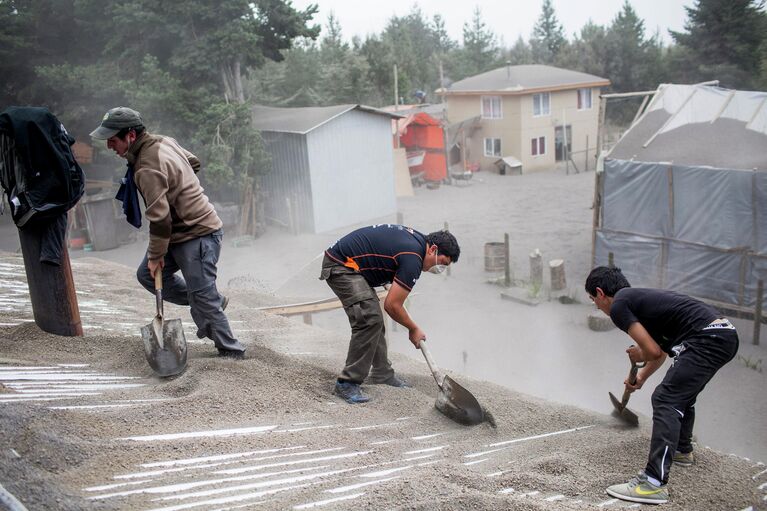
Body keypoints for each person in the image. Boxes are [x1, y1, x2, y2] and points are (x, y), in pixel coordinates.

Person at [90, 107, 245, 359]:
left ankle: (231, 350)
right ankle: (210, 299)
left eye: (112, 139)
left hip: (198, 233)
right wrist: (176, 185)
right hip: (178, 233)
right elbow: (193, 161)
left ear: (130, 135)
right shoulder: (164, 141)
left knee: (202, 297)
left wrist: (155, 255)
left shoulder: (146, 167)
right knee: (148, 277)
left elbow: (160, 219)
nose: (109, 145)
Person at [585, 266, 739, 505]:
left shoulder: (619, 306)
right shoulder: (643, 304)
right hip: (722, 334)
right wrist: (641, 378)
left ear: (600, 293)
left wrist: (639, 353)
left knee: (666, 398)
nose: (597, 306)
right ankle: (681, 449)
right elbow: (660, 353)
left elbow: (651, 351)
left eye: (594, 300)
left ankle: (652, 484)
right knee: (680, 394)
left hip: (706, 337)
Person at [320, 224, 460, 404]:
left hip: (354, 266)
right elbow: (392, 305)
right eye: (442, 263)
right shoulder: (413, 258)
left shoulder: (416, 242)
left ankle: (382, 373)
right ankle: (347, 383)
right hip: (342, 266)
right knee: (369, 319)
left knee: (374, 319)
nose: (440, 268)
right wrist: (413, 328)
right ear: (433, 249)